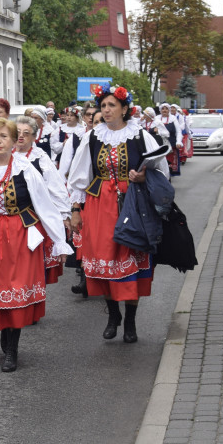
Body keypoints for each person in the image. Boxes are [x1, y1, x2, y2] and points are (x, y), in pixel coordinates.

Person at [0, 117, 71, 372]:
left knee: (15, 290)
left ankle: (11, 349)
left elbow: (44, 206)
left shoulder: (26, 168)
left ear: (13, 141)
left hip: (19, 237)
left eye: (3, 136)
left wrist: (60, 242)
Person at [67, 85, 169, 344]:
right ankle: (113, 316)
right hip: (100, 204)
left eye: (112, 105)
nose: (107, 110)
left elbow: (162, 171)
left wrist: (144, 175)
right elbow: (79, 178)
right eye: (103, 106)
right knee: (105, 261)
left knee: (130, 258)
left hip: (132, 204)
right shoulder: (92, 138)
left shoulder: (139, 135)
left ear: (125, 109)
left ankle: (131, 321)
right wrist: (76, 211)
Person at [14, 116, 72, 287]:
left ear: (34, 137)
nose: (21, 136)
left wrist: (63, 214)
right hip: (10, 217)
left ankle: (31, 299)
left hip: (34, 216)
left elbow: (55, 187)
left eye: (26, 133)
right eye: (17, 132)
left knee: (32, 264)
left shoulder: (40, 158)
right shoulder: (3, 156)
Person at [158, 103, 183, 177]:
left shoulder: (173, 119)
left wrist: (178, 142)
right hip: (159, 144)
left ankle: (169, 176)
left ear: (169, 110)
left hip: (171, 144)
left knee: (169, 163)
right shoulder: (157, 119)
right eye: (163, 109)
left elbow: (178, 131)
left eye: (166, 109)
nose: (164, 110)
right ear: (160, 110)